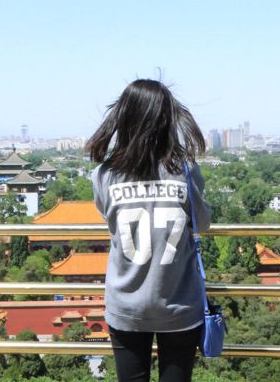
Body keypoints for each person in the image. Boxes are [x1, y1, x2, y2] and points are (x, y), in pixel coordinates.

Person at [88, 79, 212, 382]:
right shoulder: (185, 171)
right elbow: (202, 223)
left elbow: (109, 219)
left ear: (123, 118)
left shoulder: (105, 175)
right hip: (178, 302)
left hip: (126, 304)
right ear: (167, 121)